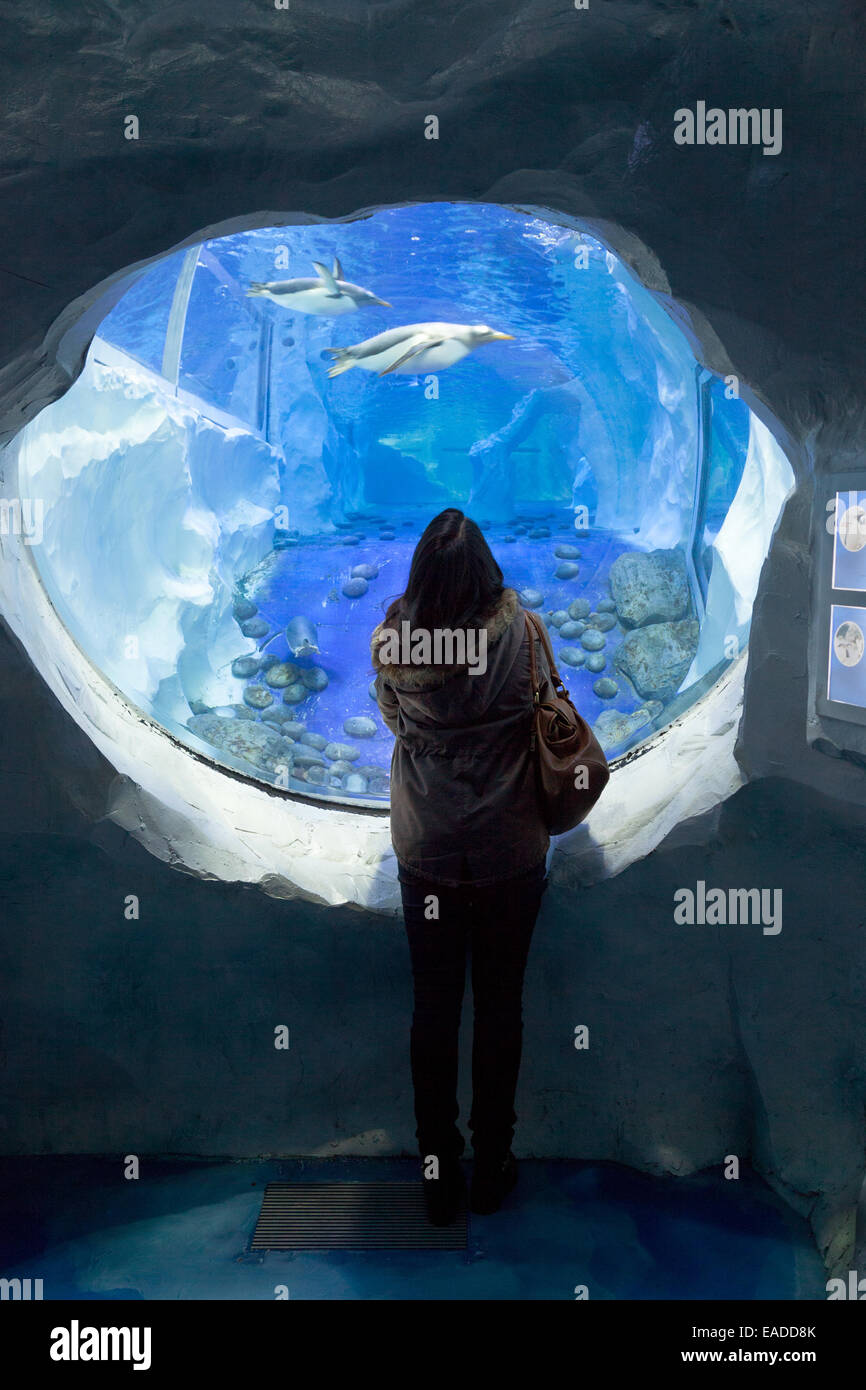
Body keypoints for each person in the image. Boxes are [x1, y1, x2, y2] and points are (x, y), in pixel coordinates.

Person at [370, 508, 556, 1225]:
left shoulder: (394, 645)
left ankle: (437, 1170)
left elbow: (391, 717)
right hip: (511, 852)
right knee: (500, 1004)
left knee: (435, 1008)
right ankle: (493, 1162)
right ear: (486, 572)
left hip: (430, 853)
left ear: (420, 576)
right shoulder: (526, 633)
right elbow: (547, 709)